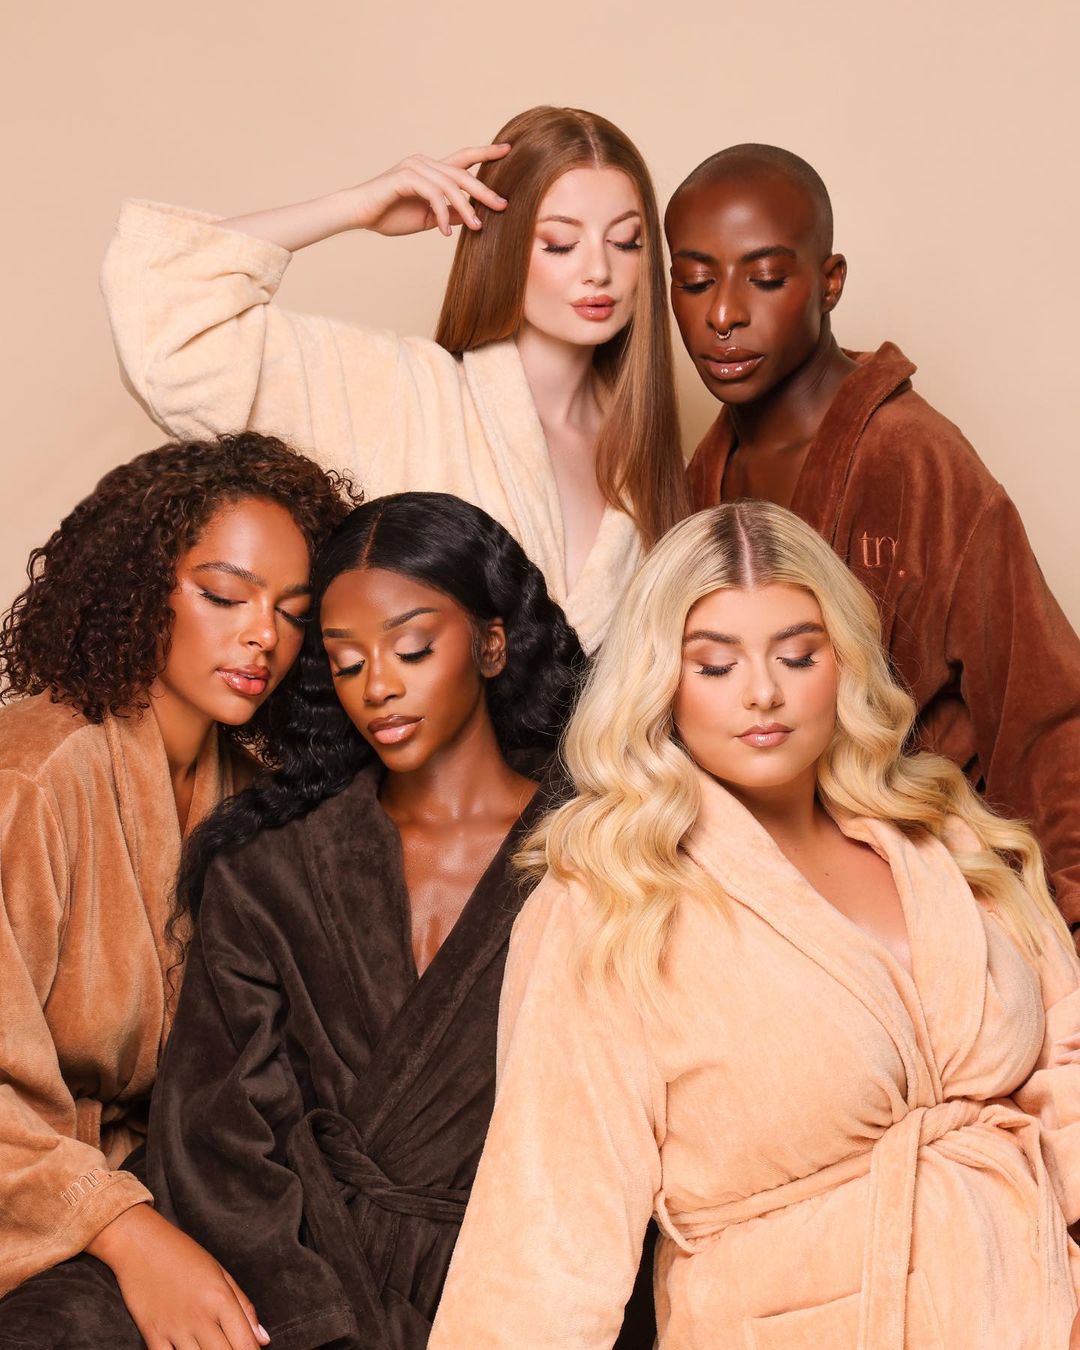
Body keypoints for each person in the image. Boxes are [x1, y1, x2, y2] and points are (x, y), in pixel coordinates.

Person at [428, 500, 1080, 1348]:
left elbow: (1066, 1062)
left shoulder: (943, 837)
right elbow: (547, 1232)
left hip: (1033, 1309)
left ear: (843, 663)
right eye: (715, 665)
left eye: (798, 655)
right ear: (661, 681)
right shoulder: (610, 901)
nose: (763, 693)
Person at [141, 492, 621, 1349]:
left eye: (412, 648)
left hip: (529, 1286)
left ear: (491, 644)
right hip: (311, 1292)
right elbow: (217, 1138)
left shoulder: (602, 851)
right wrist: (319, 1319)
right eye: (346, 662)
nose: (380, 686)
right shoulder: (269, 869)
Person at [0, 433, 356, 1346]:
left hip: (173, 1184)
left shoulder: (257, 797)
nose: (263, 635)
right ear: (136, 588)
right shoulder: (33, 778)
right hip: (38, 1214)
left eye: (294, 612)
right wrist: (129, 1235)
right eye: (225, 596)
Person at [665, 143, 1080, 922]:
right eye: (693, 282)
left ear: (830, 282)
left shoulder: (914, 459)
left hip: (929, 888)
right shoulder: (702, 477)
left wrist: (1070, 927)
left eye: (765, 278)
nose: (723, 315)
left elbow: (1045, 710)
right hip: (764, 894)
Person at [100, 106, 686, 653]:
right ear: (503, 245)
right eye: (561, 243)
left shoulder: (646, 453)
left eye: (626, 241)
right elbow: (171, 316)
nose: (599, 270)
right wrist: (355, 207)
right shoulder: (399, 392)